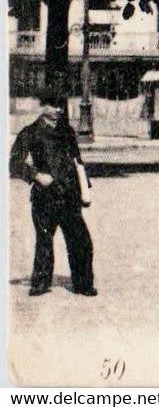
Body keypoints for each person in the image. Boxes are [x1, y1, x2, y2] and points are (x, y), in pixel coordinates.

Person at [9, 95, 96, 297]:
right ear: (42, 106)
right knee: (45, 242)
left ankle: (83, 284)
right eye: (53, 105)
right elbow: (13, 163)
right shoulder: (30, 132)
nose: (58, 109)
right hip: (44, 197)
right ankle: (40, 283)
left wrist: (85, 188)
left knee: (81, 241)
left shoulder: (67, 132)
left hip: (69, 196)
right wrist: (36, 175)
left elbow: (78, 162)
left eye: (61, 105)